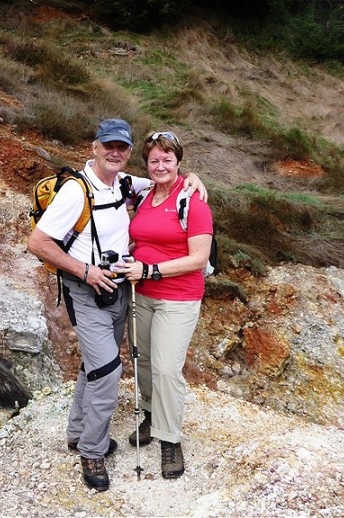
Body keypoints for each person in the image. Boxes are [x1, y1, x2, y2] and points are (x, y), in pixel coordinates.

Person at [27, 119, 206, 492]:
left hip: (122, 290)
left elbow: (166, 177)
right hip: (86, 289)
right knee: (108, 370)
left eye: (122, 148)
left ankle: (77, 433)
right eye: (108, 145)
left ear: (127, 154)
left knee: (93, 365)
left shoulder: (126, 183)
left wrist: (192, 177)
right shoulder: (77, 190)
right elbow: (38, 242)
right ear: (94, 147)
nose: (115, 153)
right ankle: (92, 450)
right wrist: (85, 270)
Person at [118, 130, 214, 480]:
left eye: (167, 160)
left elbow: (199, 258)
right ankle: (149, 415)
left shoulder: (194, 202)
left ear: (179, 163)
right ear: (147, 164)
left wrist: (151, 268)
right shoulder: (143, 195)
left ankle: (170, 439)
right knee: (142, 361)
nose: (160, 165)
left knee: (165, 369)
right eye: (154, 160)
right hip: (141, 294)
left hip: (179, 297)